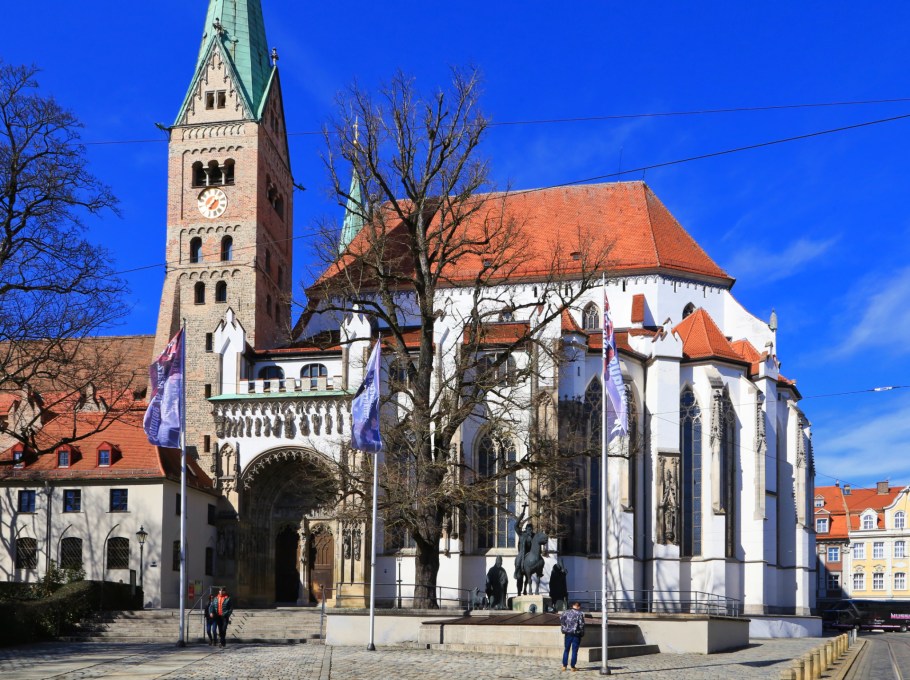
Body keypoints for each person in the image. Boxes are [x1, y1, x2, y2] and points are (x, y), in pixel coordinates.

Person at [559, 601, 585, 671]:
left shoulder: (565, 612)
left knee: (566, 650)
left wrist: (564, 629)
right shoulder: (580, 614)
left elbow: (561, 620)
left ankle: (564, 666)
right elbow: (581, 625)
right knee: (574, 651)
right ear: (578, 606)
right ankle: (572, 667)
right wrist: (582, 633)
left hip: (567, 634)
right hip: (576, 634)